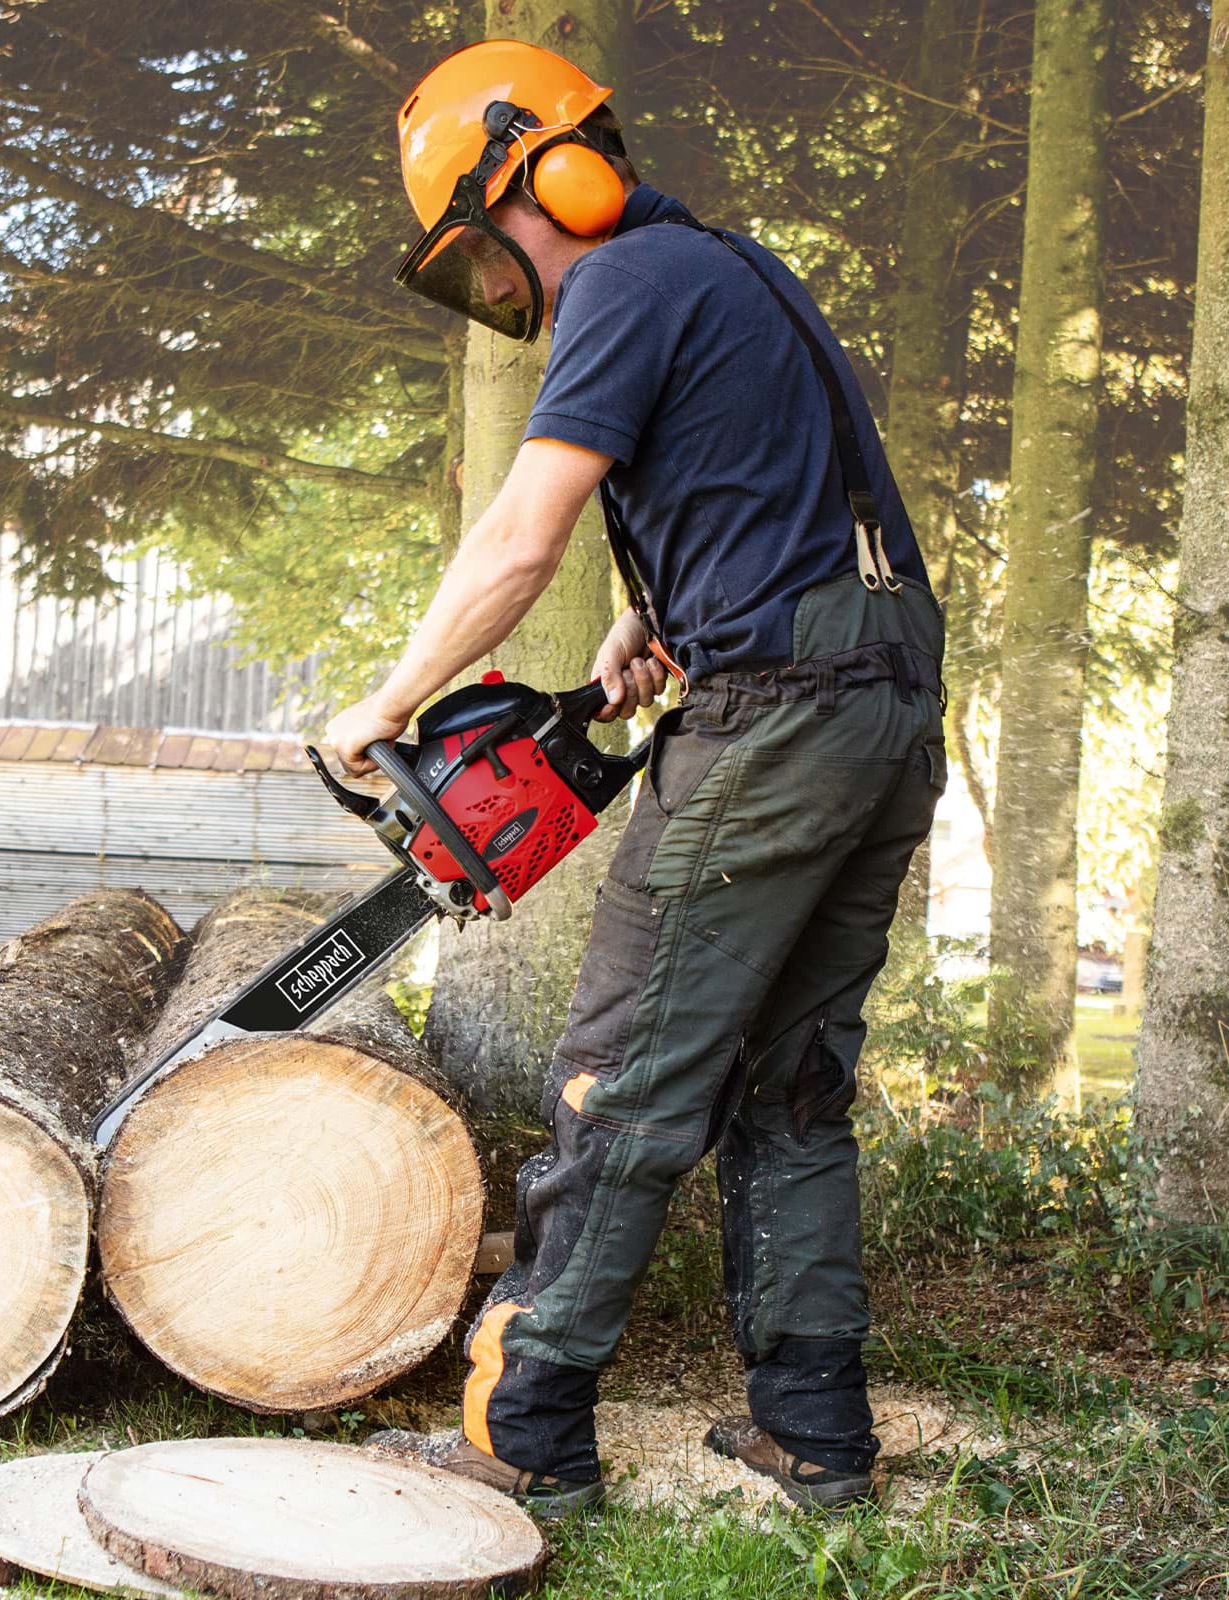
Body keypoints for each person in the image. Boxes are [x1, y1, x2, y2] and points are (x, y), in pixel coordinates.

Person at [323, 38, 946, 1517]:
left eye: (490, 245)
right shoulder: (733, 272)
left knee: (622, 1079)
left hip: (778, 725)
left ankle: (520, 1435)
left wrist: (389, 701)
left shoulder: (618, 278)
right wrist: (664, 617)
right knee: (791, 1086)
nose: (503, 283)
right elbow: (791, 490)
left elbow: (521, 534)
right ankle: (814, 1431)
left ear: (547, 174)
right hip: (886, 704)